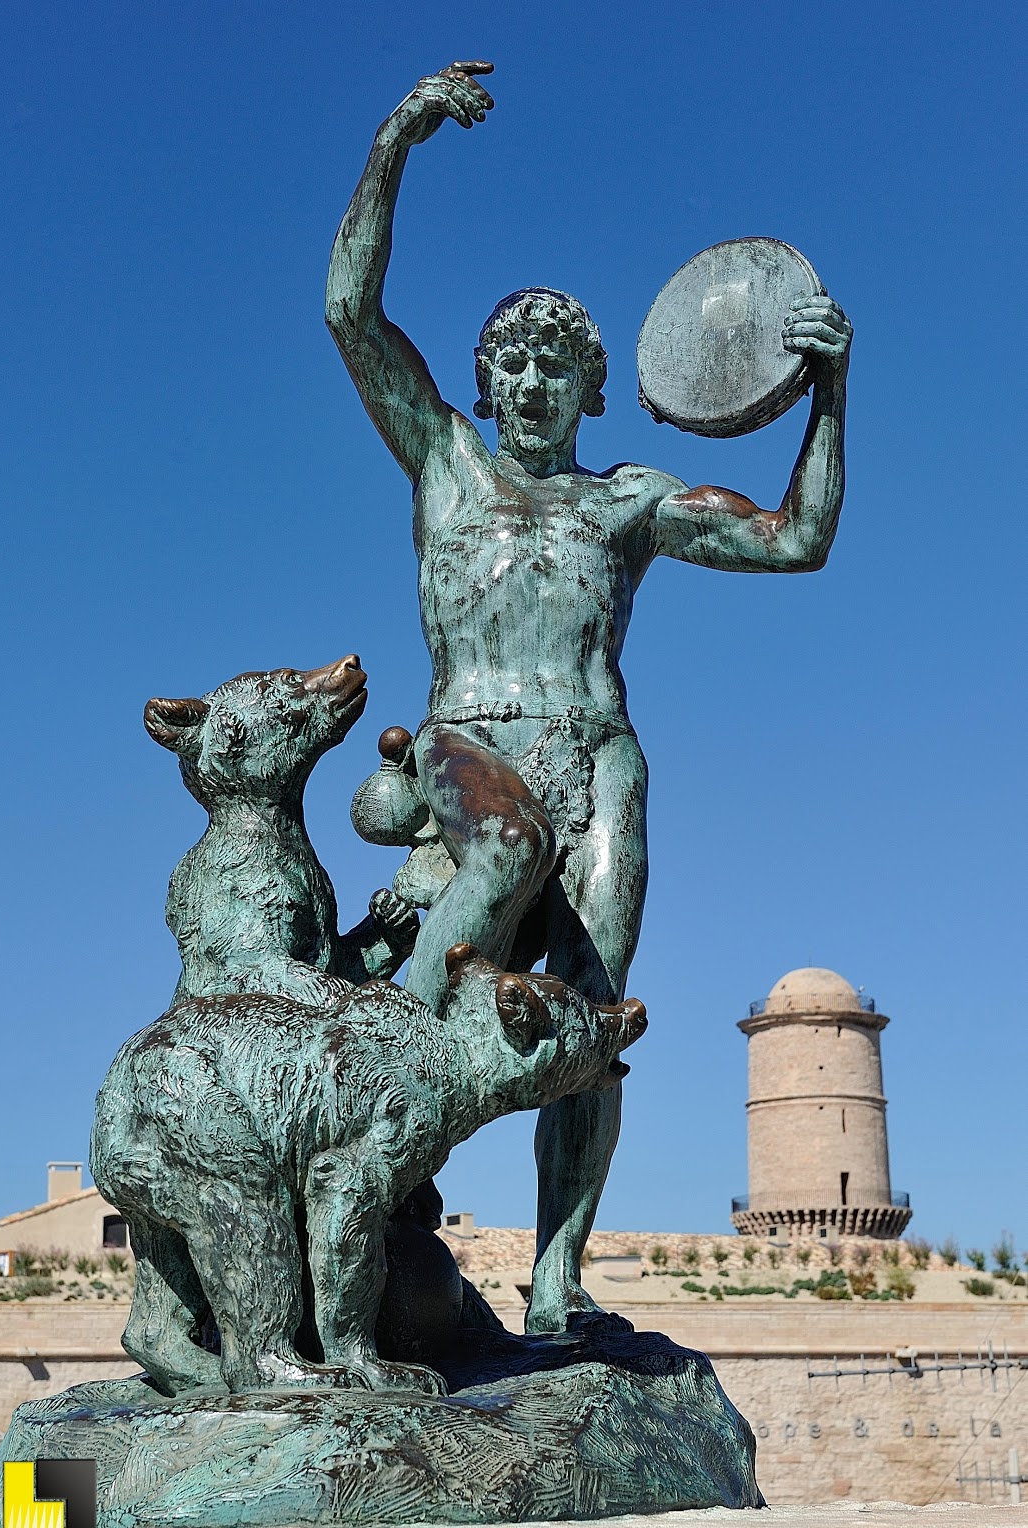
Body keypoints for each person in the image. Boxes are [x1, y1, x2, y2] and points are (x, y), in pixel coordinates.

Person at [326, 62, 852, 1333]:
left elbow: (795, 541)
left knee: (589, 1013)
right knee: (491, 874)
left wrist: (827, 397)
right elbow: (349, 308)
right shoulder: (441, 457)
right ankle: (363, 1121)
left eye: (556, 365)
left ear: (592, 390)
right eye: (510, 362)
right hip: (470, 743)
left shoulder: (625, 501)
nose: (530, 384)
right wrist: (398, 133)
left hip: (597, 751)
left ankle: (559, 1267)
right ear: (484, 378)